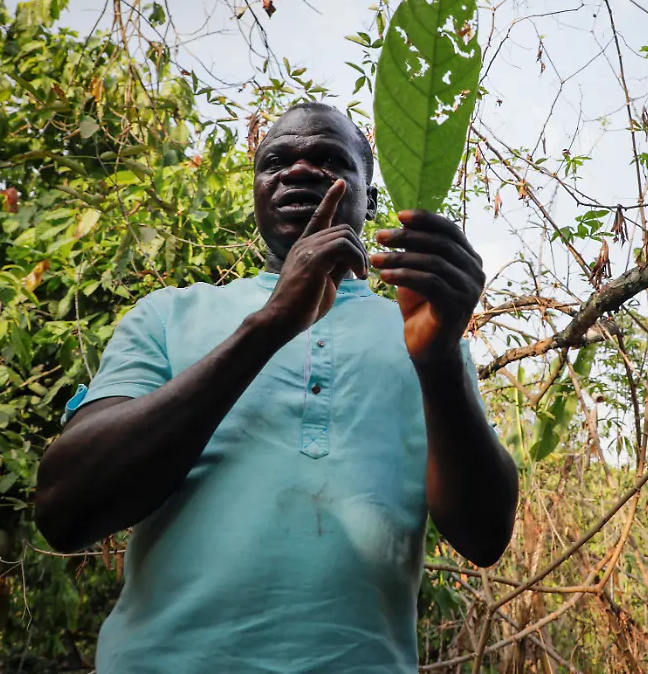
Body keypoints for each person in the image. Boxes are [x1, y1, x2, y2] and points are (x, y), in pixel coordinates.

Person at [33, 102, 519, 672]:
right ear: (258, 194)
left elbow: (484, 537)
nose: (298, 171)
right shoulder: (168, 315)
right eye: (276, 162)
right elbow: (64, 510)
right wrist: (270, 324)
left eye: (330, 160)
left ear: (371, 198)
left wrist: (438, 360)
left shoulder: (425, 332)